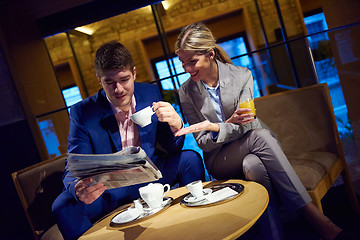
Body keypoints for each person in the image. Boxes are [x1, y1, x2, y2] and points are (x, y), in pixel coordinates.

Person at [174, 22, 344, 240]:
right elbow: (204, 142)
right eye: (182, 63)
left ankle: (274, 235)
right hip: (220, 159)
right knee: (260, 135)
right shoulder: (186, 92)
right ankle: (314, 216)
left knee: (252, 164)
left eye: (192, 62)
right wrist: (226, 123)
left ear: (210, 54)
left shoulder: (242, 76)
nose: (187, 69)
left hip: (255, 149)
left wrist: (216, 127)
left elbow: (246, 123)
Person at [52, 41, 205, 240]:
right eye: (109, 82)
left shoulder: (150, 93)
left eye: (124, 79)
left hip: (151, 173)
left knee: (189, 159)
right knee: (62, 206)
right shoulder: (82, 112)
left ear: (134, 73)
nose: (118, 89)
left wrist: (176, 126)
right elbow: (73, 164)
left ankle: (201, 226)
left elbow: (171, 147)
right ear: (100, 80)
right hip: (109, 186)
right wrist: (77, 187)